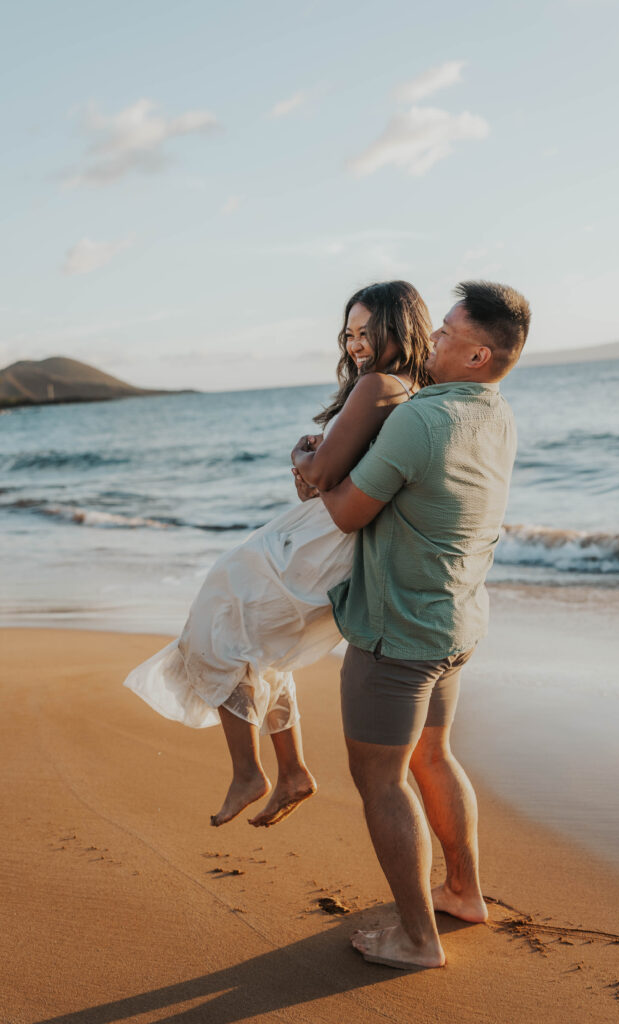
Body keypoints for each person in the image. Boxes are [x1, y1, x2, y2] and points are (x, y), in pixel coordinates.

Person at [123, 281, 433, 829]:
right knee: (252, 642)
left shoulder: (381, 386)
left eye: (368, 332)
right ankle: (289, 771)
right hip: (319, 535)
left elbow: (320, 476)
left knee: (218, 627)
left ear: (397, 328)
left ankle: (251, 772)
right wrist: (312, 467)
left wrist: (302, 453)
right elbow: (316, 485)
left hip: (319, 544)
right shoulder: (393, 388)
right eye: (350, 332)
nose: (356, 342)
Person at [300, 280, 531, 970]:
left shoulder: (419, 419)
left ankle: (417, 938)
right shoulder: (496, 414)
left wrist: (305, 464)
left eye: (447, 334)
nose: (432, 340)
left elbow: (343, 510)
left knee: (382, 781)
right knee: (432, 757)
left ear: (478, 354)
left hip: (396, 631)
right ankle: (462, 893)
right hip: (455, 623)